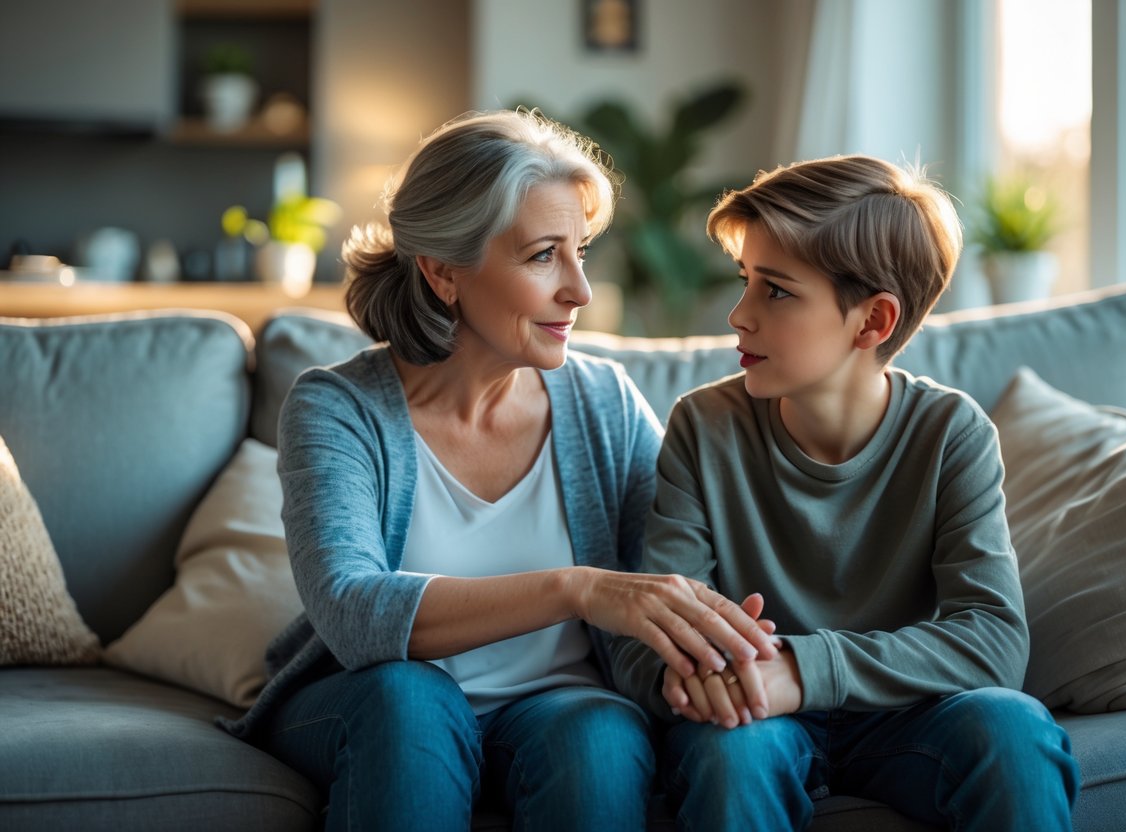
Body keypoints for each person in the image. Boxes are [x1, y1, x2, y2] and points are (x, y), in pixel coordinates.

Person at [221, 109, 778, 832]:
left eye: (580, 252)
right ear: (443, 271)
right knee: (411, 703)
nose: (578, 290)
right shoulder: (338, 407)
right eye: (544, 255)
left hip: (558, 703)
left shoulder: (603, 400)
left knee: (599, 738)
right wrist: (574, 589)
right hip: (375, 700)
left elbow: (667, 577)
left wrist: (721, 638)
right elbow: (354, 615)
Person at [610, 155, 1081, 831]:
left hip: (908, 718)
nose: (738, 315)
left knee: (1011, 729)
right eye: (744, 282)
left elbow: (992, 639)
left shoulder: (951, 433)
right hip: (753, 718)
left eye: (774, 291)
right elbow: (656, 627)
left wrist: (800, 671)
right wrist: (688, 674)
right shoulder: (702, 426)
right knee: (730, 755)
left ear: (871, 322)